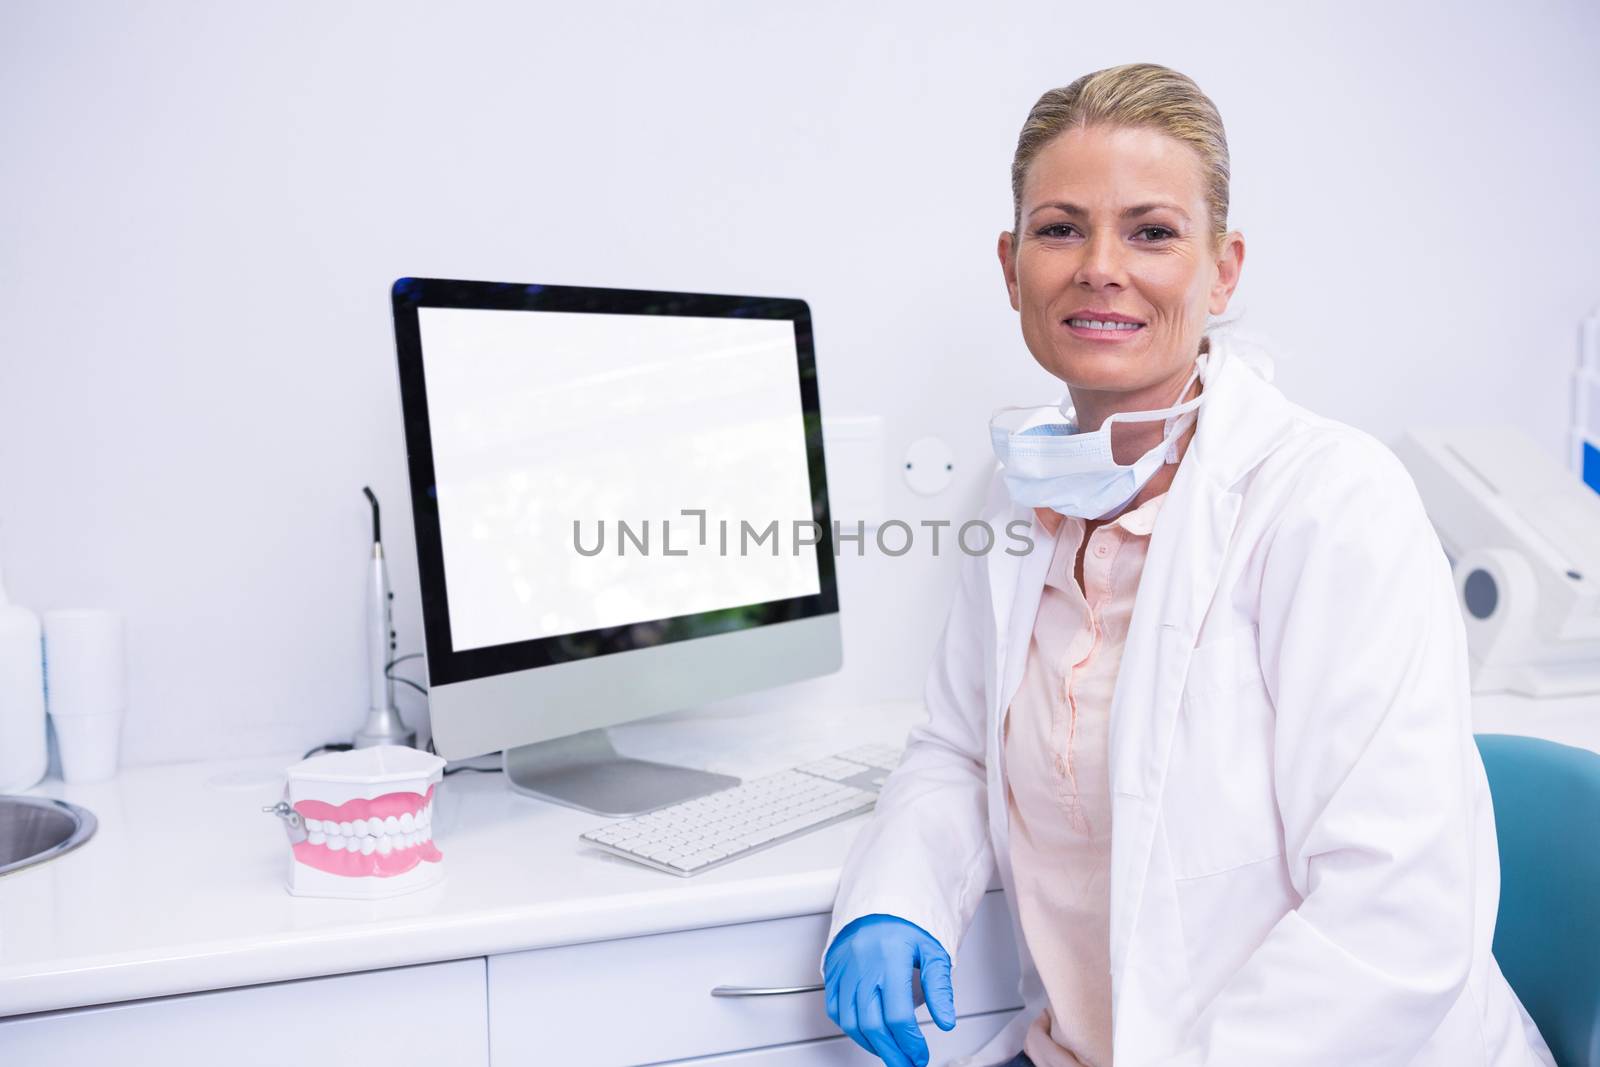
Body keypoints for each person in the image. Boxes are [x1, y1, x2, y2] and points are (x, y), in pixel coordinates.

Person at [819, 63, 1558, 1067]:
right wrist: (895, 897)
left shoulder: (1327, 499)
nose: (1099, 266)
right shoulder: (1022, 492)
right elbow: (955, 747)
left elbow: (1397, 919)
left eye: (1152, 231)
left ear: (1222, 268)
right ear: (1010, 265)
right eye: (1059, 227)